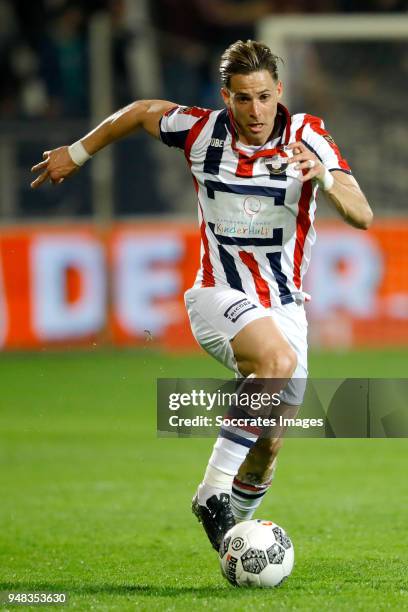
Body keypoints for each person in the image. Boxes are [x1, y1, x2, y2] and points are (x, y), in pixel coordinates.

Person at [31, 39, 373, 552]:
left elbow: (362, 213)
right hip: (217, 294)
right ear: (225, 97)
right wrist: (77, 153)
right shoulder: (201, 130)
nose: (255, 111)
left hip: (284, 305)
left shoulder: (308, 136)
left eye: (263, 96)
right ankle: (210, 493)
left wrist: (323, 176)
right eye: (242, 98)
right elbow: (142, 111)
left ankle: (235, 536)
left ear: (278, 90)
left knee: (267, 445)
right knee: (275, 361)